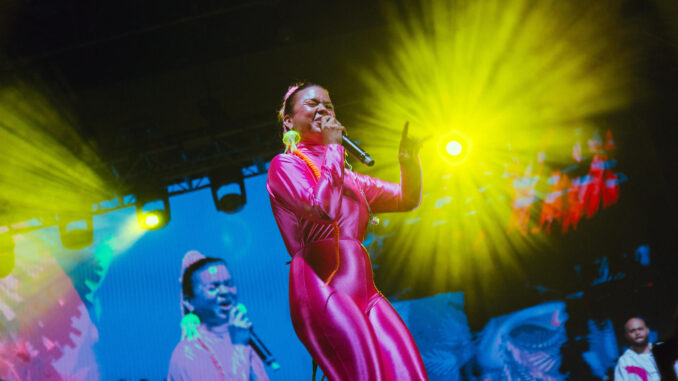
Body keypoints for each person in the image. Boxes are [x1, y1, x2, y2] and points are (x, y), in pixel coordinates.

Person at [266, 82, 428, 380]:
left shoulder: (349, 177)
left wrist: (408, 159)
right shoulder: (284, 166)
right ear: (288, 121)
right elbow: (322, 209)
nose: (324, 109)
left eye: (328, 105)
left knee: (410, 374)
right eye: (313, 104)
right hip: (322, 285)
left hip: (366, 291)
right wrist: (333, 149)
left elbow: (407, 199)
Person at [168, 250, 269, 381]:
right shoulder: (188, 353)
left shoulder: (242, 337)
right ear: (189, 302)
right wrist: (240, 347)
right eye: (213, 287)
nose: (224, 292)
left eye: (229, 284)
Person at [614, 316, 660, 381]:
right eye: (632, 331)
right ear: (627, 335)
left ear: (647, 330)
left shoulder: (664, 349)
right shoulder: (624, 362)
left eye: (640, 329)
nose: (637, 333)